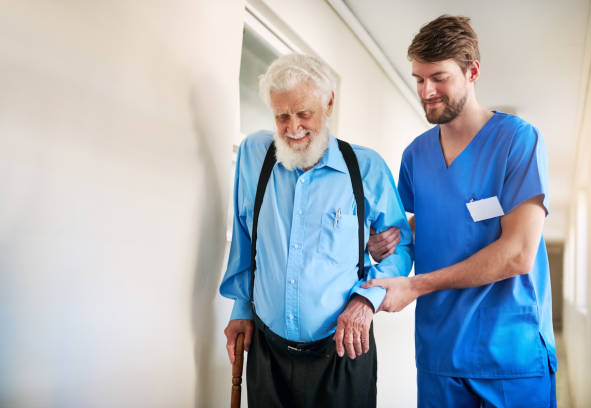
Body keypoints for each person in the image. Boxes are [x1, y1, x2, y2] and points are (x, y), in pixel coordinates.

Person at [364, 15, 557, 407]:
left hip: (510, 355)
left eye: (439, 77)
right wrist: (386, 240)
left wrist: (415, 285)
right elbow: (433, 220)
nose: (426, 91)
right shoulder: (416, 155)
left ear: (473, 72)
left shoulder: (517, 141)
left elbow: (519, 254)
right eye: (418, 79)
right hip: (440, 353)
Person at [219, 53, 412, 408]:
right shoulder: (254, 155)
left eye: (303, 113)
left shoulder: (365, 167)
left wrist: (366, 300)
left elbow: (400, 248)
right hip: (268, 350)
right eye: (282, 116)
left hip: (343, 351)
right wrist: (241, 307)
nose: (292, 128)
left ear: (329, 103)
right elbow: (246, 237)